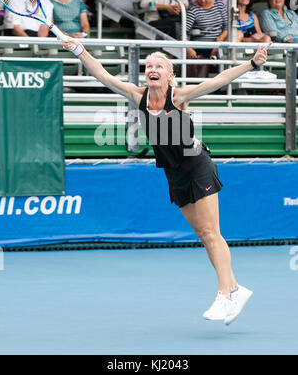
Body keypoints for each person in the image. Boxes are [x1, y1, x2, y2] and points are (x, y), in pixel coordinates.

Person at [61, 37, 270, 325]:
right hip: (173, 173)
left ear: (170, 75)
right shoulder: (138, 96)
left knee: (211, 232)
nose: (152, 68)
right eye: (149, 65)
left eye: (159, 65)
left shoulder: (179, 97)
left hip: (197, 165)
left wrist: (251, 63)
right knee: (203, 235)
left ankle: (226, 293)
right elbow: (103, 75)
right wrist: (80, 51)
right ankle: (235, 288)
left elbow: (219, 79)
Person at [186, 0, 228, 78]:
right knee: (201, 61)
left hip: (218, 44)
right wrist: (189, 49)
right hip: (200, 45)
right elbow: (184, 31)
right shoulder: (193, 9)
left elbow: (227, 26)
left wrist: (222, 36)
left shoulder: (219, 5)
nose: (203, 0)